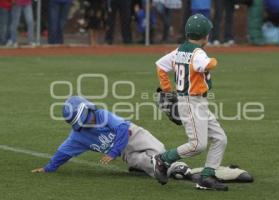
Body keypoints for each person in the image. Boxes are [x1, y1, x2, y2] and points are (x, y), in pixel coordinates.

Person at [31, 96, 253, 184]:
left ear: (90, 108)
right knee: (148, 163)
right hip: (125, 153)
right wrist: (48, 168)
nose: (88, 119)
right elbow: (63, 152)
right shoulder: (78, 137)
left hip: (135, 135)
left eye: (87, 113)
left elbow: (121, 130)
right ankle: (185, 171)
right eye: (82, 119)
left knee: (158, 152)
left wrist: (110, 153)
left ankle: (172, 166)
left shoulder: (102, 115)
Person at [152, 14, 228, 191]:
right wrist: (213, 61)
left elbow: (160, 65)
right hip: (191, 101)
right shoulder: (198, 53)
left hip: (195, 102)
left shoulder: (179, 51)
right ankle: (162, 160)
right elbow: (206, 65)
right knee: (197, 145)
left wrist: (166, 88)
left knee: (220, 138)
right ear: (205, 36)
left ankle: (207, 177)